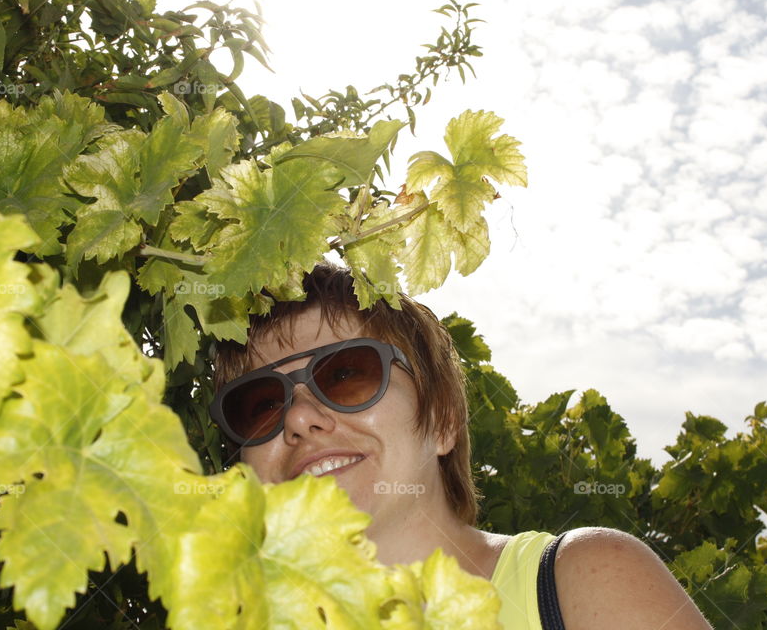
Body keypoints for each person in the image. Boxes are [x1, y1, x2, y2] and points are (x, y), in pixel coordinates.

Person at [211, 261, 712, 629]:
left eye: (345, 373)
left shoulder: (581, 582)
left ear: (444, 417)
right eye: (259, 405)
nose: (298, 417)